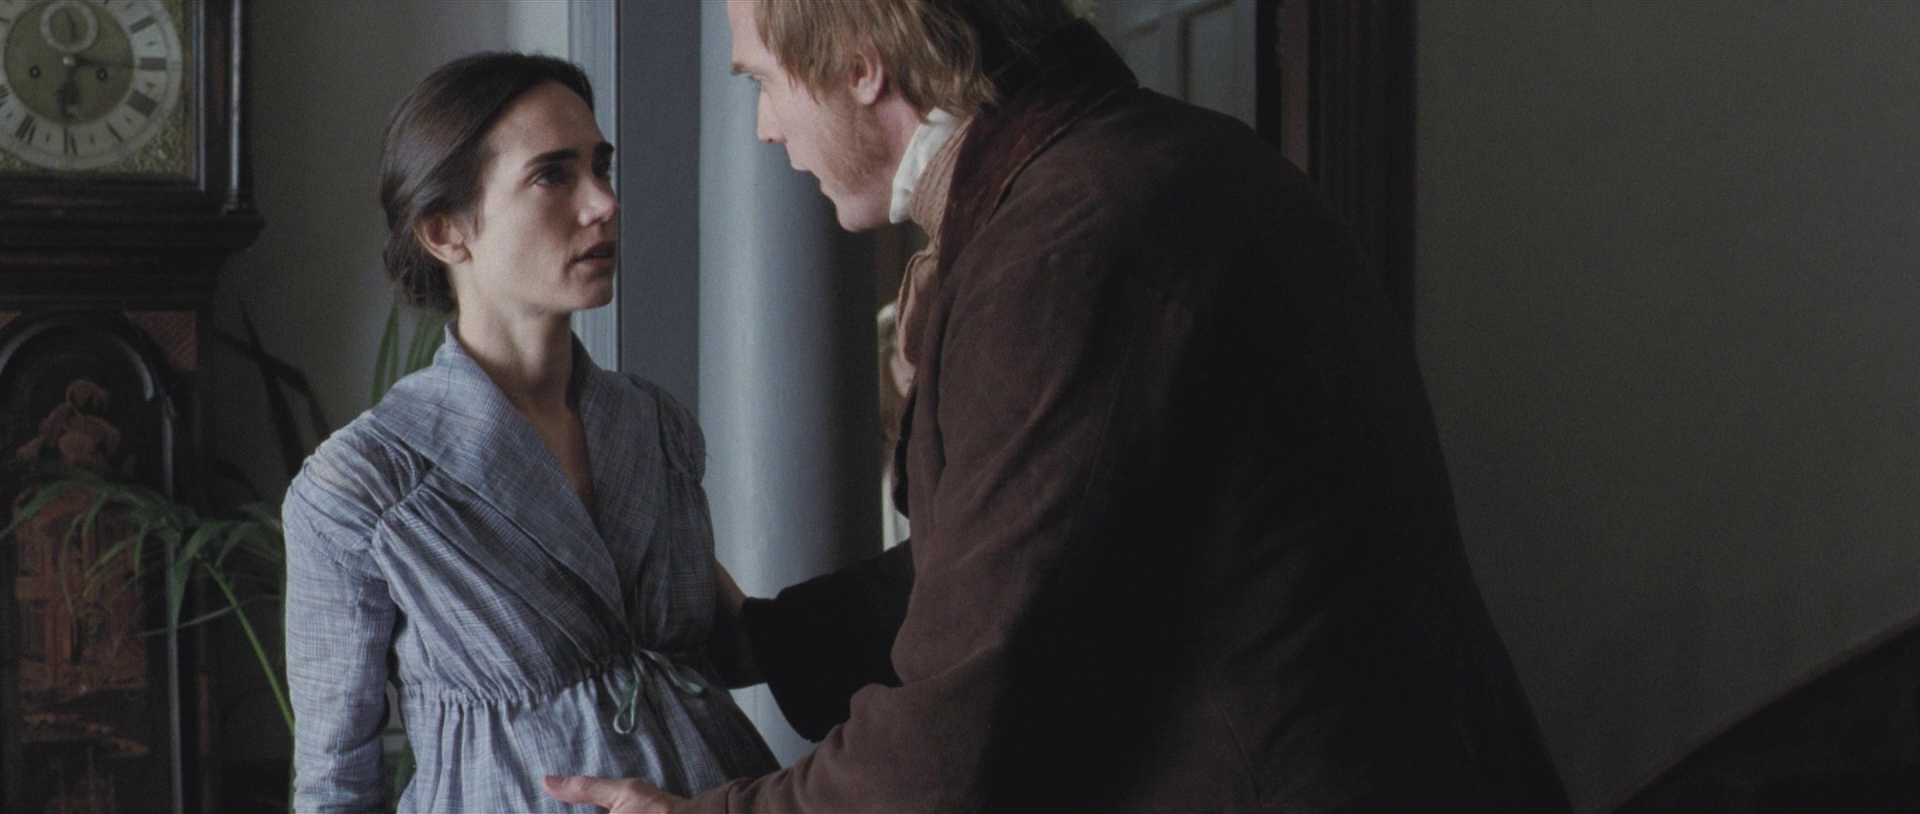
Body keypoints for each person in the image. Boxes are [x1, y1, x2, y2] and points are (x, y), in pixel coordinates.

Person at [547, 1, 1572, 811]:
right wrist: (768, 641)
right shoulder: (1147, 162)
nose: (767, 128)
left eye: (763, 82)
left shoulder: (1062, 253)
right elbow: (1037, 545)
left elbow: (963, 729)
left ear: (861, 65)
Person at [283, 52, 777, 813]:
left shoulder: (654, 424)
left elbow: (726, 642)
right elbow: (334, 786)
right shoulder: (364, 484)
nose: (605, 202)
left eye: (600, 167)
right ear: (445, 231)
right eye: (553, 175)